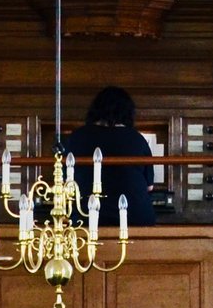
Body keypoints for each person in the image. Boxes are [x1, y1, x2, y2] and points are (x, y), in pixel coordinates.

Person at [60, 85, 156, 226]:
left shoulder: (77, 137)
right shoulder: (137, 139)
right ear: (128, 112)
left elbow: (65, 181)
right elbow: (149, 187)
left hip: (86, 216)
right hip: (135, 216)